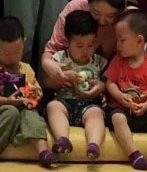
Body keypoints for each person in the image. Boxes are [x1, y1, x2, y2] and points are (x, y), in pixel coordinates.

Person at [0, 16, 58, 168]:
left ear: (24, 43)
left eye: (17, 52)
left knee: (32, 115)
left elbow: (37, 90)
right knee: (10, 111)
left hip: (24, 107)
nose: (12, 57)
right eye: (7, 54)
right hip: (1, 110)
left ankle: (43, 151)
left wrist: (35, 93)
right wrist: (7, 100)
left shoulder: (26, 69)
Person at [105, 10, 147, 171]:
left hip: (143, 112)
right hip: (121, 109)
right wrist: (120, 96)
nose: (118, 45)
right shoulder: (118, 60)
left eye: (122, 40)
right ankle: (133, 153)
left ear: (140, 41)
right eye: (117, 39)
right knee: (117, 117)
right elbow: (110, 83)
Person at [41, 0, 130, 89]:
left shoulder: (128, 19)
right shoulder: (75, 8)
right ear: (89, 2)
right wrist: (47, 63)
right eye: (96, 13)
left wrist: (105, 86)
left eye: (110, 16)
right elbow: (53, 48)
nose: (102, 21)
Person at [45, 10, 108, 160]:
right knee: (52, 106)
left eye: (90, 45)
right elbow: (47, 83)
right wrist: (61, 78)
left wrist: (101, 86)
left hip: (89, 104)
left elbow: (108, 83)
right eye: (79, 46)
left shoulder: (99, 61)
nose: (85, 51)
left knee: (96, 114)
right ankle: (62, 139)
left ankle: (94, 145)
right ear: (68, 42)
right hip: (64, 101)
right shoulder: (60, 58)